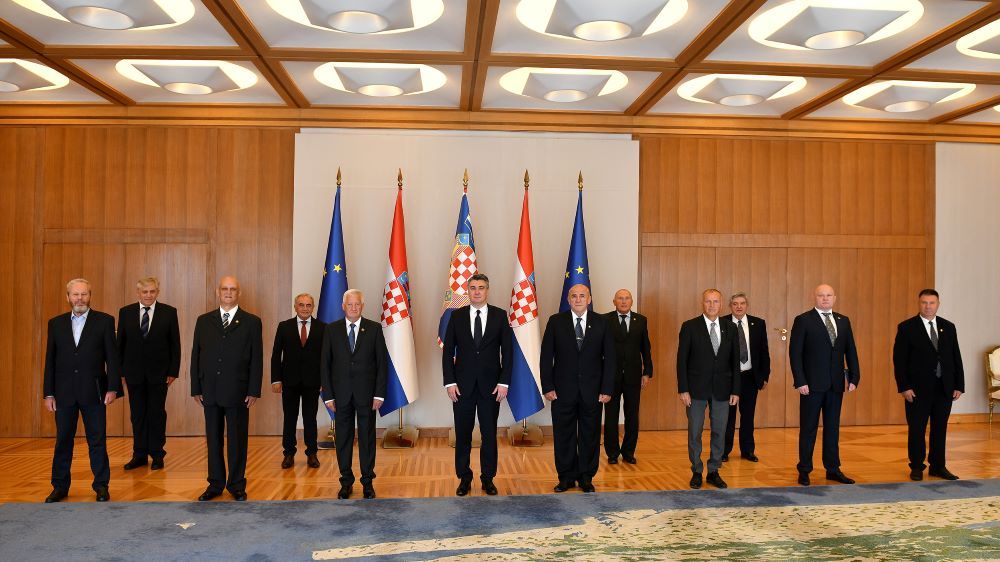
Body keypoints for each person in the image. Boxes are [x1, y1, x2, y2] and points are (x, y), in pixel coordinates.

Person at [43, 278, 122, 503]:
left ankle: (101, 486)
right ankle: (59, 487)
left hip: (94, 392)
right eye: (75, 294)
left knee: (97, 441)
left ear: (90, 296)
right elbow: (50, 360)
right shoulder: (55, 323)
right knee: (63, 441)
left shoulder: (105, 321)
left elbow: (112, 359)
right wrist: (49, 393)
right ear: (68, 297)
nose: (80, 299)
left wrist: (112, 388)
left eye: (84, 294)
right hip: (63, 393)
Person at [190, 276, 263, 501]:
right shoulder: (204, 321)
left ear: (239, 293)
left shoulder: (252, 322)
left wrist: (254, 390)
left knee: (237, 441)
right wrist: (195, 387)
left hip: (238, 391)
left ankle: (236, 484)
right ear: (218, 292)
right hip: (209, 390)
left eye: (233, 289)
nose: (228, 292)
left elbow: (257, 358)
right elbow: (196, 355)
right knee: (213, 440)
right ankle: (215, 484)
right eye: (225, 289)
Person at [442, 273, 513, 496]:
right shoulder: (457, 316)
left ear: (487, 290)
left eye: (481, 287)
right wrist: (449, 382)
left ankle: (488, 478)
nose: (477, 292)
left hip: (491, 387)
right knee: (463, 434)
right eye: (473, 288)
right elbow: (447, 352)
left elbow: (508, 352)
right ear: (468, 291)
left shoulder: (500, 316)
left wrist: (504, 382)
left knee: (489, 434)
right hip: (461, 387)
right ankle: (464, 478)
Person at [540, 284, 615, 493]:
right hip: (562, 391)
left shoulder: (602, 322)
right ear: (568, 299)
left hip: (593, 391)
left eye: (583, 296)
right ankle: (565, 477)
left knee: (590, 435)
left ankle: (586, 477)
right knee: (564, 435)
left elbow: (610, 359)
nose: (579, 299)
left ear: (589, 299)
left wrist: (607, 388)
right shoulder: (556, 322)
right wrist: (548, 386)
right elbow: (546, 357)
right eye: (574, 296)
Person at [789, 284, 860, 486]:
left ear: (834, 298)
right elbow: (795, 354)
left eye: (829, 295)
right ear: (815, 297)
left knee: (832, 428)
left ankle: (833, 469)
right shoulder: (803, 320)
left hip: (835, 385)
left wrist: (854, 377)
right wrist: (800, 380)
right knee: (808, 429)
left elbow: (850, 350)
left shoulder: (843, 321)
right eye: (821, 295)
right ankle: (804, 469)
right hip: (811, 386)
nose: (825, 298)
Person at [321, 289, 387, 500]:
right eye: (349, 304)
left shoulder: (374, 329)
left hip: (367, 395)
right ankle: (346, 482)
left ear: (362, 306)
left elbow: (382, 364)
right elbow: (325, 365)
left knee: (367, 439)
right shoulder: (331, 330)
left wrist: (379, 394)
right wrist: (328, 396)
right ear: (343, 306)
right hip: (340, 395)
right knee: (343, 439)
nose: (353, 308)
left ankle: (367, 482)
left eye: (357, 304)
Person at [892, 289, 964, 481]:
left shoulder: (948, 327)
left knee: (940, 428)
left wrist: (959, 385)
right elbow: (899, 361)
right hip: (917, 390)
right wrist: (904, 386)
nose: (928, 306)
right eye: (924, 302)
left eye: (932, 303)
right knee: (917, 429)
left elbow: (956, 357)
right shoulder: (906, 327)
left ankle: (938, 466)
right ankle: (916, 466)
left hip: (944, 388)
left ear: (938, 304)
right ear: (919, 304)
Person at [677, 289, 740, 490]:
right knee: (695, 431)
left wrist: (735, 390)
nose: (712, 305)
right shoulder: (690, 327)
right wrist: (683, 389)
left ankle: (714, 470)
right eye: (708, 301)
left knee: (719, 431)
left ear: (721, 304)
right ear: (702, 303)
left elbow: (735, 362)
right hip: (695, 390)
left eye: (715, 302)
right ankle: (696, 470)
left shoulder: (730, 327)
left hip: (723, 389)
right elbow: (681, 361)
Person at [118, 277, 181, 471]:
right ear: (138, 293)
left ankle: (157, 454)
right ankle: (139, 454)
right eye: (145, 292)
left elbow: (175, 344)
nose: (148, 295)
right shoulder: (126, 312)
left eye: (152, 291)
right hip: (133, 374)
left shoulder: (169, 312)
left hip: (159, 374)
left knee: (156, 414)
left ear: (157, 292)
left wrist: (173, 371)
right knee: (137, 415)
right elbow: (120, 344)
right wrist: (121, 372)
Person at [271, 293, 326, 470]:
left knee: (310, 419)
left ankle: (312, 453)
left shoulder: (322, 328)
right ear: (295, 307)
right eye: (301, 305)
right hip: (289, 381)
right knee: (290, 418)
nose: (304, 308)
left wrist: (325, 381)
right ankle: (288, 453)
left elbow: (326, 358)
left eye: (308, 305)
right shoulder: (284, 326)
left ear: (313, 307)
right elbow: (276, 355)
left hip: (313, 382)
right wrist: (276, 379)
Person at [603, 289, 653, 465]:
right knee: (611, 416)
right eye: (620, 299)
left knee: (632, 415)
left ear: (632, 301)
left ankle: (628, 452)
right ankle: (612, 453)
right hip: (610, 377)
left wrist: (647, 372)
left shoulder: (641, 320)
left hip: (633, 376)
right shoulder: (604, 320)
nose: (624, 302)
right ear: (614, 301)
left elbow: (645, 348)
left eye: (627, 298)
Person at [720, 292, 770, 463]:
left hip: (750, 377)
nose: (739, 307)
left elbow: (764, 352)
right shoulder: (722, 323)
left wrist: (764, 376)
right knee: (728, 416)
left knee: (748, 416)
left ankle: (748, 450)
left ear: (747, 305)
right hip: (729, 378)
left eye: (742, 303)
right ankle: (724, 451)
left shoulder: (758, 323)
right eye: (735, 304)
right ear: (730, 306)